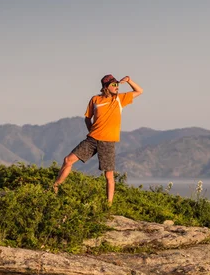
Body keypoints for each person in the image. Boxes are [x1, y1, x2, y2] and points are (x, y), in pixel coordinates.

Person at [53, 74, 143, 205]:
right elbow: (87, 118)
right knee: (67, 160)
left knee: (109, 176)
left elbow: (139, 91)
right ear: (106, 87)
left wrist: (129, 80)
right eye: (114, 84)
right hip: (92, 139)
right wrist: (92, 131)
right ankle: (54, 188)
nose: (117, 87)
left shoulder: (119, 99)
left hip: (108, 141)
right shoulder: (95, 99)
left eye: (117, 84)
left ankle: (108, 205)